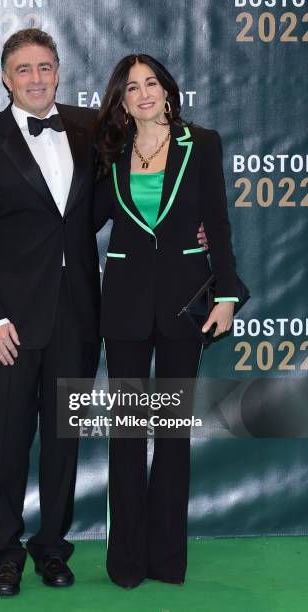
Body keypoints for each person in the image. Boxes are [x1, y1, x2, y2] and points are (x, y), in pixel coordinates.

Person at [0, 28, 101, 595]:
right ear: (5, 78)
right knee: (8, 439)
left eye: (45, 67)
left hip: (79, 316)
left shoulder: (88, 130)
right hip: (9, 324)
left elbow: (122, 195)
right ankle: (6, 551)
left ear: (58, 71)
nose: (36, 78)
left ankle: (52, 548)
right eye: (24, 69)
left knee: (64, 440)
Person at [94, 54, 238, 589]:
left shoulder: (201, 144)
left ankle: (166, 561)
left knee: (172, 438)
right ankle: (126, 563)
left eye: (151, 82)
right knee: (127, 436)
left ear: (167, 90)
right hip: (125, 308)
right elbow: (85, 220)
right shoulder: (108, 151)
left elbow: (218, 222)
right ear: (122, 101)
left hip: (186, 308)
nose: (144, 93)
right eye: (132, 87)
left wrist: (225, 293)